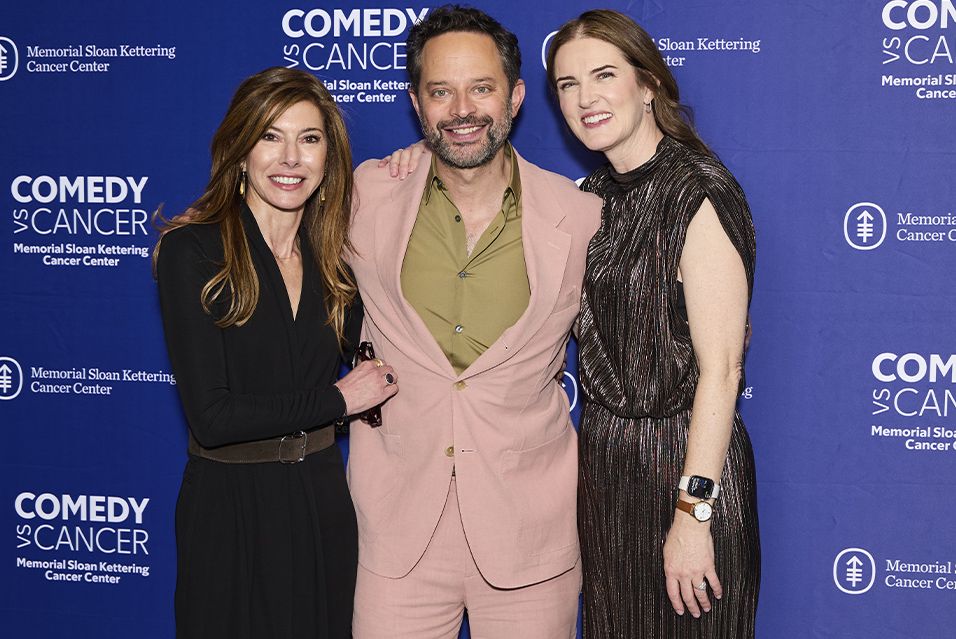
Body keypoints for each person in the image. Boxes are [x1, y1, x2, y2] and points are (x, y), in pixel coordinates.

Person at [347, 6, 601, 638]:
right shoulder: (366, 195)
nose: (462, 110)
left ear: (515, 97)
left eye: (481, 88)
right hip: (397, 533)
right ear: (416, 103)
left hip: (529, 535)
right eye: (441, 91)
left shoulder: (580, 216)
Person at [154, 67, 398, 639]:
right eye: (271, 136)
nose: (291, 158)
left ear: (328, 158)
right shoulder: (193, 251)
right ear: (241, 150)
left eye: (309, 139)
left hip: (320, 499)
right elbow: (213, 418)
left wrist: (415, 164)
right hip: (230, 507)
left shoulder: (335, 262)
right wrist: (337, 400)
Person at [546, 9, 761, 638]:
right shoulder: (592, 197)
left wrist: (694, 516)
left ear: (648, 84)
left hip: (686, 471)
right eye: (568, 84)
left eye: (604, 75)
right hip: (608, 472)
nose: (585, 98)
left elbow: (722, 372)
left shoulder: (698, 192)